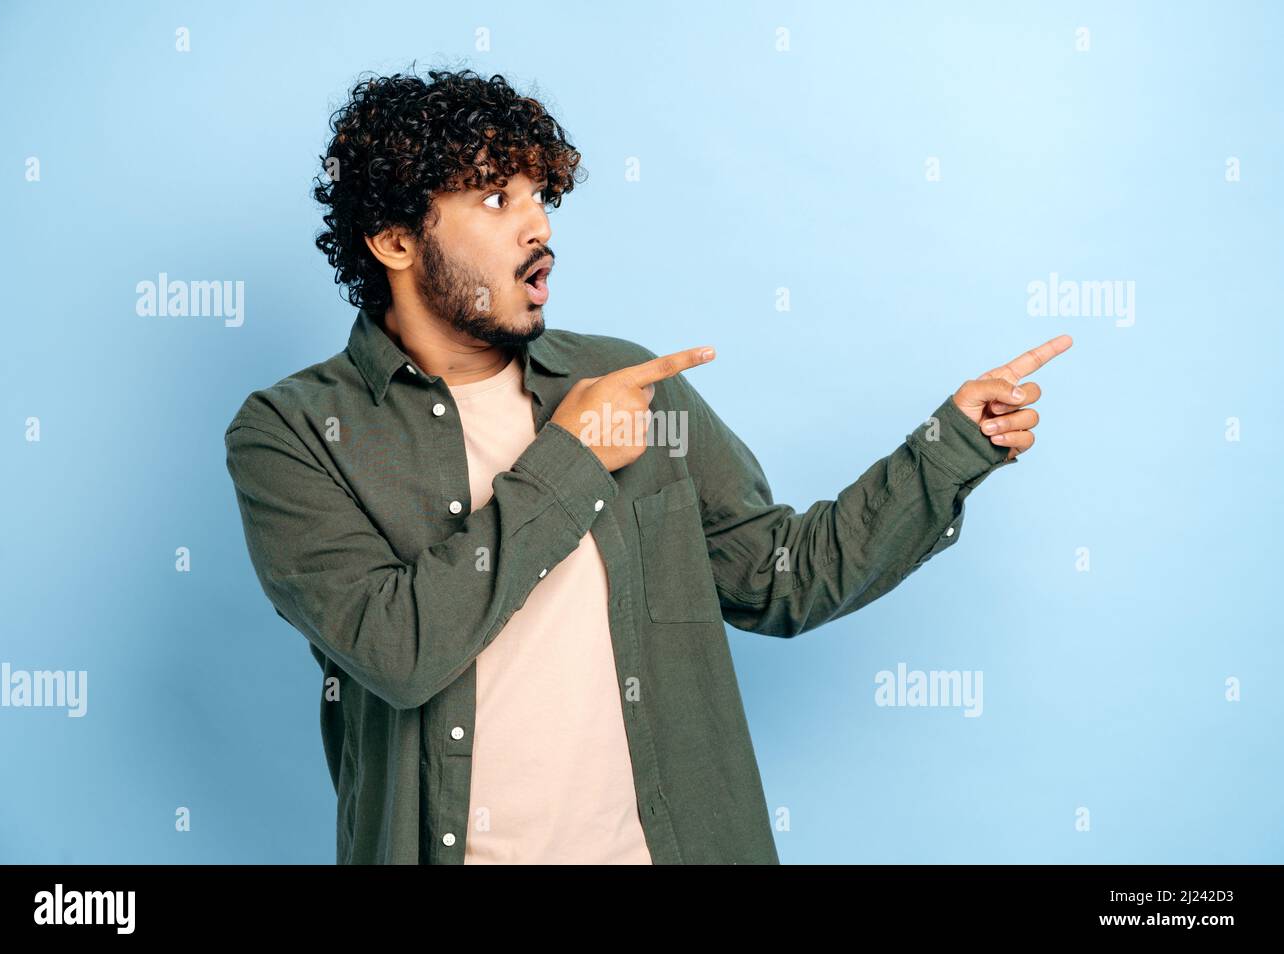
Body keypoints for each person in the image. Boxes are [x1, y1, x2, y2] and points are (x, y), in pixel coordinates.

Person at [223, 66, 1071, 864]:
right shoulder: (293, 432)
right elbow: (398, 649)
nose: (539, 226)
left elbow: (781, 579)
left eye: (539, 196)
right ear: (395, 241)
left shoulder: (628, 383)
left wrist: (949, 448)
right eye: (495, 197)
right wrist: (574, 457)